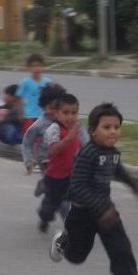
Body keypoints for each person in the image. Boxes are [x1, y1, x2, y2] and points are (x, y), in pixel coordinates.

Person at [49, 103, 138, 275]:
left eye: (116, 127)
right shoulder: (87, 154)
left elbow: (117, 169)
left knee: (121, 250)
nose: (113, 131)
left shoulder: (112, 153)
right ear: (93, 130)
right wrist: (101, 208)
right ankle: (62, 241)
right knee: (77, 256)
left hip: (107, 213)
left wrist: (133, 185)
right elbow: (76, 189)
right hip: (83, 215)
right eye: (107, 127)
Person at [37, 93, 84, 234]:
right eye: (65, 113)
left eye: (74, 113)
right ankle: (44, 216)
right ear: (57, 113)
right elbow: (52, 151)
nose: (70, 117)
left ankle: (72, 227)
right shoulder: (54, 129)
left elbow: (79, 147)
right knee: (49, 208)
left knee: (68, 203)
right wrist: (69, 138)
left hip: (71, 175)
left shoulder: (75, 128)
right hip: (54, 178)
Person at [22, 83, 68, 196]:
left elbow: (80, 133)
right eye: (51, 108)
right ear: (43, 107)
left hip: (63, 156)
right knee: (53, 185)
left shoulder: (67, 120)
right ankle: (45, 185)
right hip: (46, 159)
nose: (55, 112)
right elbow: (27, 142)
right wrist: (28, 160)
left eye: (58, 108)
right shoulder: (39, 124)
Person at [17, 54, 52, 135]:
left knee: (44, 139)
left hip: (44, 116)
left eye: (39, 65)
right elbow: (19, 99)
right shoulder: (25, 82)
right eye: (33, 66)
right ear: (28, 68)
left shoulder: (48, 82)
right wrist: (20, 114)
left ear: (43, 66)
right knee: (29, 138)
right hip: (29, 115)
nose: (37, 68)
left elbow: (52, 100)